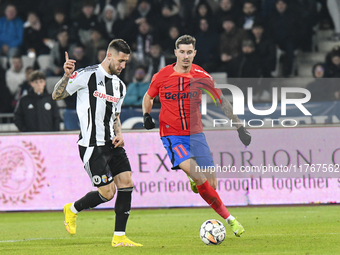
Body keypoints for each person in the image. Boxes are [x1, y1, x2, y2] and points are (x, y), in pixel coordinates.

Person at [142, 35, 251, 237]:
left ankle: (195, 180)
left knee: (212, 185)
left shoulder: (202, 76)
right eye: (182, 52)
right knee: (198, 175)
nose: (185, 56)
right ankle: (231, 220)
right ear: (175, 53)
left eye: (189, 52)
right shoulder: (162, 76)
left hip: (196, 135)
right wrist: (146, 115)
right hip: (172, 136)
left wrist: (239, 127)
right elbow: (148, 97)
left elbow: (222, 102)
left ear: (195, 53)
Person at [52, 39, 142, 247]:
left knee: (126, 182)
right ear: (109, 55)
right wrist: (66, 76)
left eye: (126, 62)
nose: (123, 66)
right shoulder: (87, 75)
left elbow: (115, 116)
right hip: (92, 146)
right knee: (107, 193)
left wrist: (119, 134)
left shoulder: (120, 86)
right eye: (121, 61)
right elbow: (57, 95)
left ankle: (119, 237)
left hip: (113, 143)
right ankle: (72, 208)